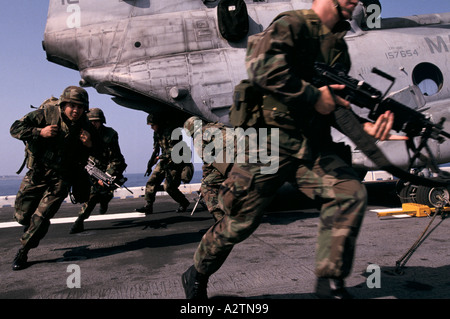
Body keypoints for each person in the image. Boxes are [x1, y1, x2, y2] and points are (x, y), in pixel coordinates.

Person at [181, 0, 408, 299]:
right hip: (268, 146)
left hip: (311, 149)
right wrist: (314, 96)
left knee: (348, 193)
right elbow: (260, 68)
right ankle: (197, 272)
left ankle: (330, 284)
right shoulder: (292, 24)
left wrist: (363, 128)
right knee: (239, 222)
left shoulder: (338, 46)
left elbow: (333, 106)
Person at [10, 86, 99, 271]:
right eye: (72, 105)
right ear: (63, 104)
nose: (76, 110)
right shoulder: (46, 114)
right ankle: (29, 226)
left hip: (61, 177)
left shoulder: (86, 125)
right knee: (21, 215)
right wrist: (39, 132)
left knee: (42, 216)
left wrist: (90, 144)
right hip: (38, 172)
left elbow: (98, 150)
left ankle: (24, 250)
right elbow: (15, 128)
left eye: (80, 107)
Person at [70, 108, 127, 234]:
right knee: (91, 197)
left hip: (107, 167)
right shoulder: (82, 134)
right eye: (91, 121)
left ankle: (104, 201)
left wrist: (107, 176)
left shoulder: (110, 135)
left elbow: (116, 159)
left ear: (102, 122)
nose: (94, 124)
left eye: (97, 121)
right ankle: (79, 221)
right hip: (90, 168)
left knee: (105, 192)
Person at [136, 113, 192, 215]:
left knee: (169, 187)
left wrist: (159, 157)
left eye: (152, 125)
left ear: (158, 123)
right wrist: (150, 165)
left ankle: (184, 202)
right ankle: (148, 206)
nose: (151, 128)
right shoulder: (156, 133)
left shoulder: (173, 132)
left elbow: (175, 150)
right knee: (152, 181)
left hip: (176, 162)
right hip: (165, 161)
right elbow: (156, 150)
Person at [184, 116, 236, 222]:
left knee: (207, 185)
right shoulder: (218, 126)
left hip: (233, 163)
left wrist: (204, 180)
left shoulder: (200, 136)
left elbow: (207, 161)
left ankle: (220, 220)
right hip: (247, 158)